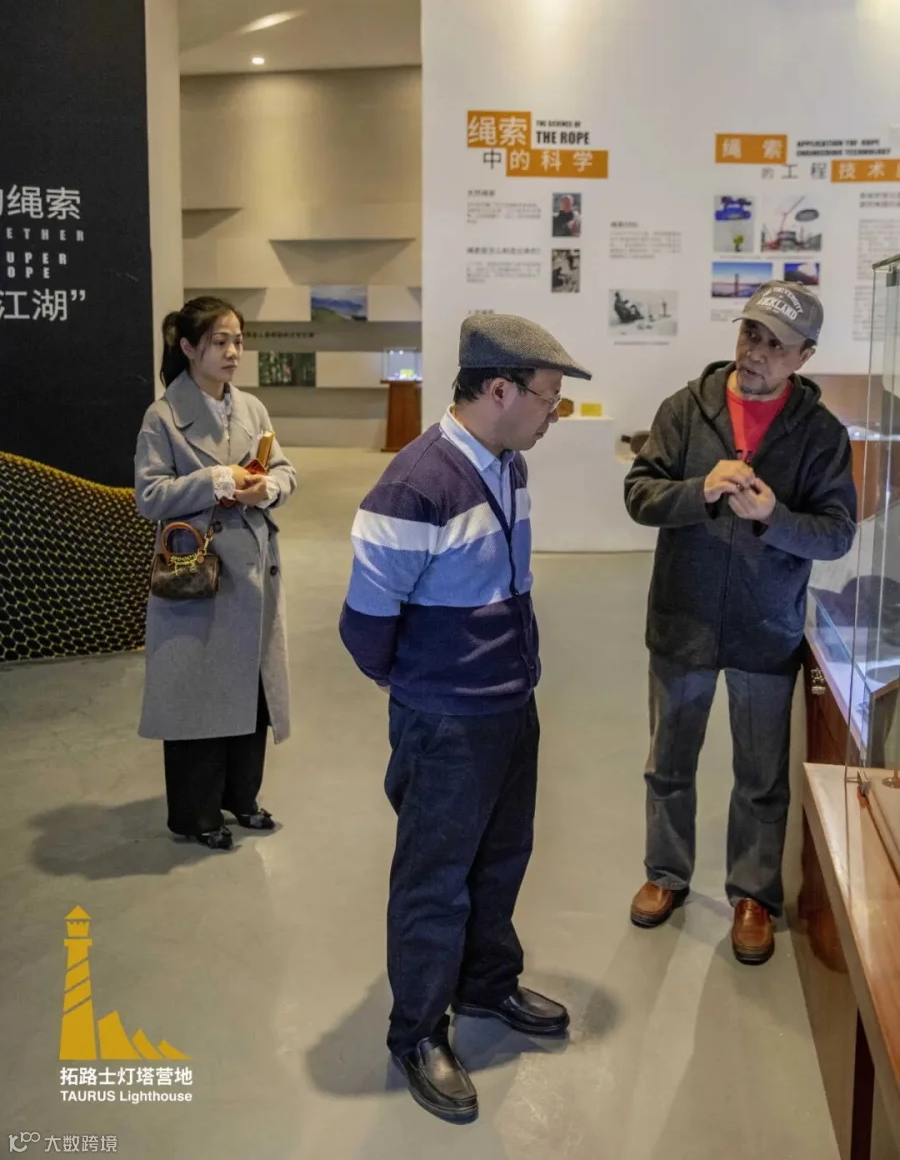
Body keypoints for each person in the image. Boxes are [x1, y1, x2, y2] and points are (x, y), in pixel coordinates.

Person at [339, 313, 591, 1123]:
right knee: (434, 881)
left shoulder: (509, 463)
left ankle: (485, 985)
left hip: (509, 703)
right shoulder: (415, 486)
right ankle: (417, 1032)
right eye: (549, 398)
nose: (555, 414)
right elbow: (365, 625)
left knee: (501, 857)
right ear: (500, 390)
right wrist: (424, 684)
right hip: (447, 719)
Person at [624, 282, 856, 963]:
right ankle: (665, 874)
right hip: (683, 619)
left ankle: (753, 894)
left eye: (776, 344)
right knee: (668, 763)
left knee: (760, 776)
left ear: (804, 357)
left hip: (766, 626)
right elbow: (639, 495)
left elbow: (836, 532)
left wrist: (773, 518)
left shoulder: (821, 434)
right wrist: (698, 492)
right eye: (751, 333)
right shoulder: (684, 409)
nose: (756, 352)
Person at [135, 296, 297, 851]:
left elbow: (284, 470)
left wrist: (267, 488)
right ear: (188, 347)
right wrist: (218, 480)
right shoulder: (163, 417)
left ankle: (241, 797)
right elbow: (150, 496)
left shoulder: (251, 408)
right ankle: (197, 813)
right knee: (197, 695)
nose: (232, 352)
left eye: (238, 341)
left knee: (251, 692)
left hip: (253, 576)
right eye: (219, 342)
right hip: (198, 576)